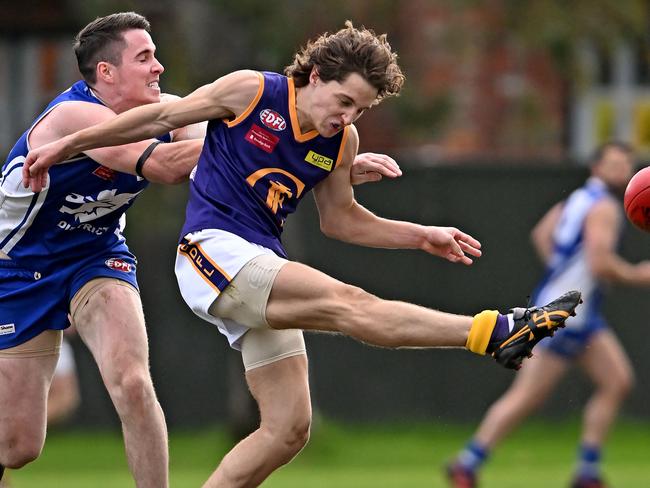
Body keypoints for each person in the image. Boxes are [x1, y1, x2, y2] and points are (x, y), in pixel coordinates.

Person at [23, 21, 581, 487]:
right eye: (343, 100)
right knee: (349, 302)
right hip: (211, 253)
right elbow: (161, 120)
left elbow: (342, 220)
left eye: (360, 109)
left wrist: (420, 233)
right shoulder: (252, 92)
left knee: (288, 428)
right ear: (314, 76)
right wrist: (69, 144)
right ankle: (495, 331)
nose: (347, 117)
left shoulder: (341, 141)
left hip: (257, 263)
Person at [0, 12, 408, 485]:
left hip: (95, 255)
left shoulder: (177, 109)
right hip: (16, 268)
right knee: (18, 445)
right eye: (144, 58)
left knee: (133, 383)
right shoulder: (74, 117)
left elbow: (226, 173)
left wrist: (320, 165)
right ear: (106, 73)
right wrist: (270, 144)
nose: (158, 67)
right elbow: (170, 166)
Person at [446, 142, 646, 488]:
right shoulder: (604, 208)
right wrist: (638, 274)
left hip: (574, 311)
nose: (622, 172)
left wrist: (562, 271)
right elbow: (600, 264)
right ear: (596, 167)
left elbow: (542, 233)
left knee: (617, 381)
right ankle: (467, 463)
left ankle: (587, 471)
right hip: (564, 314)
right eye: (614, 164)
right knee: (527, 396)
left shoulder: (577, 199)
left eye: (626, 165)